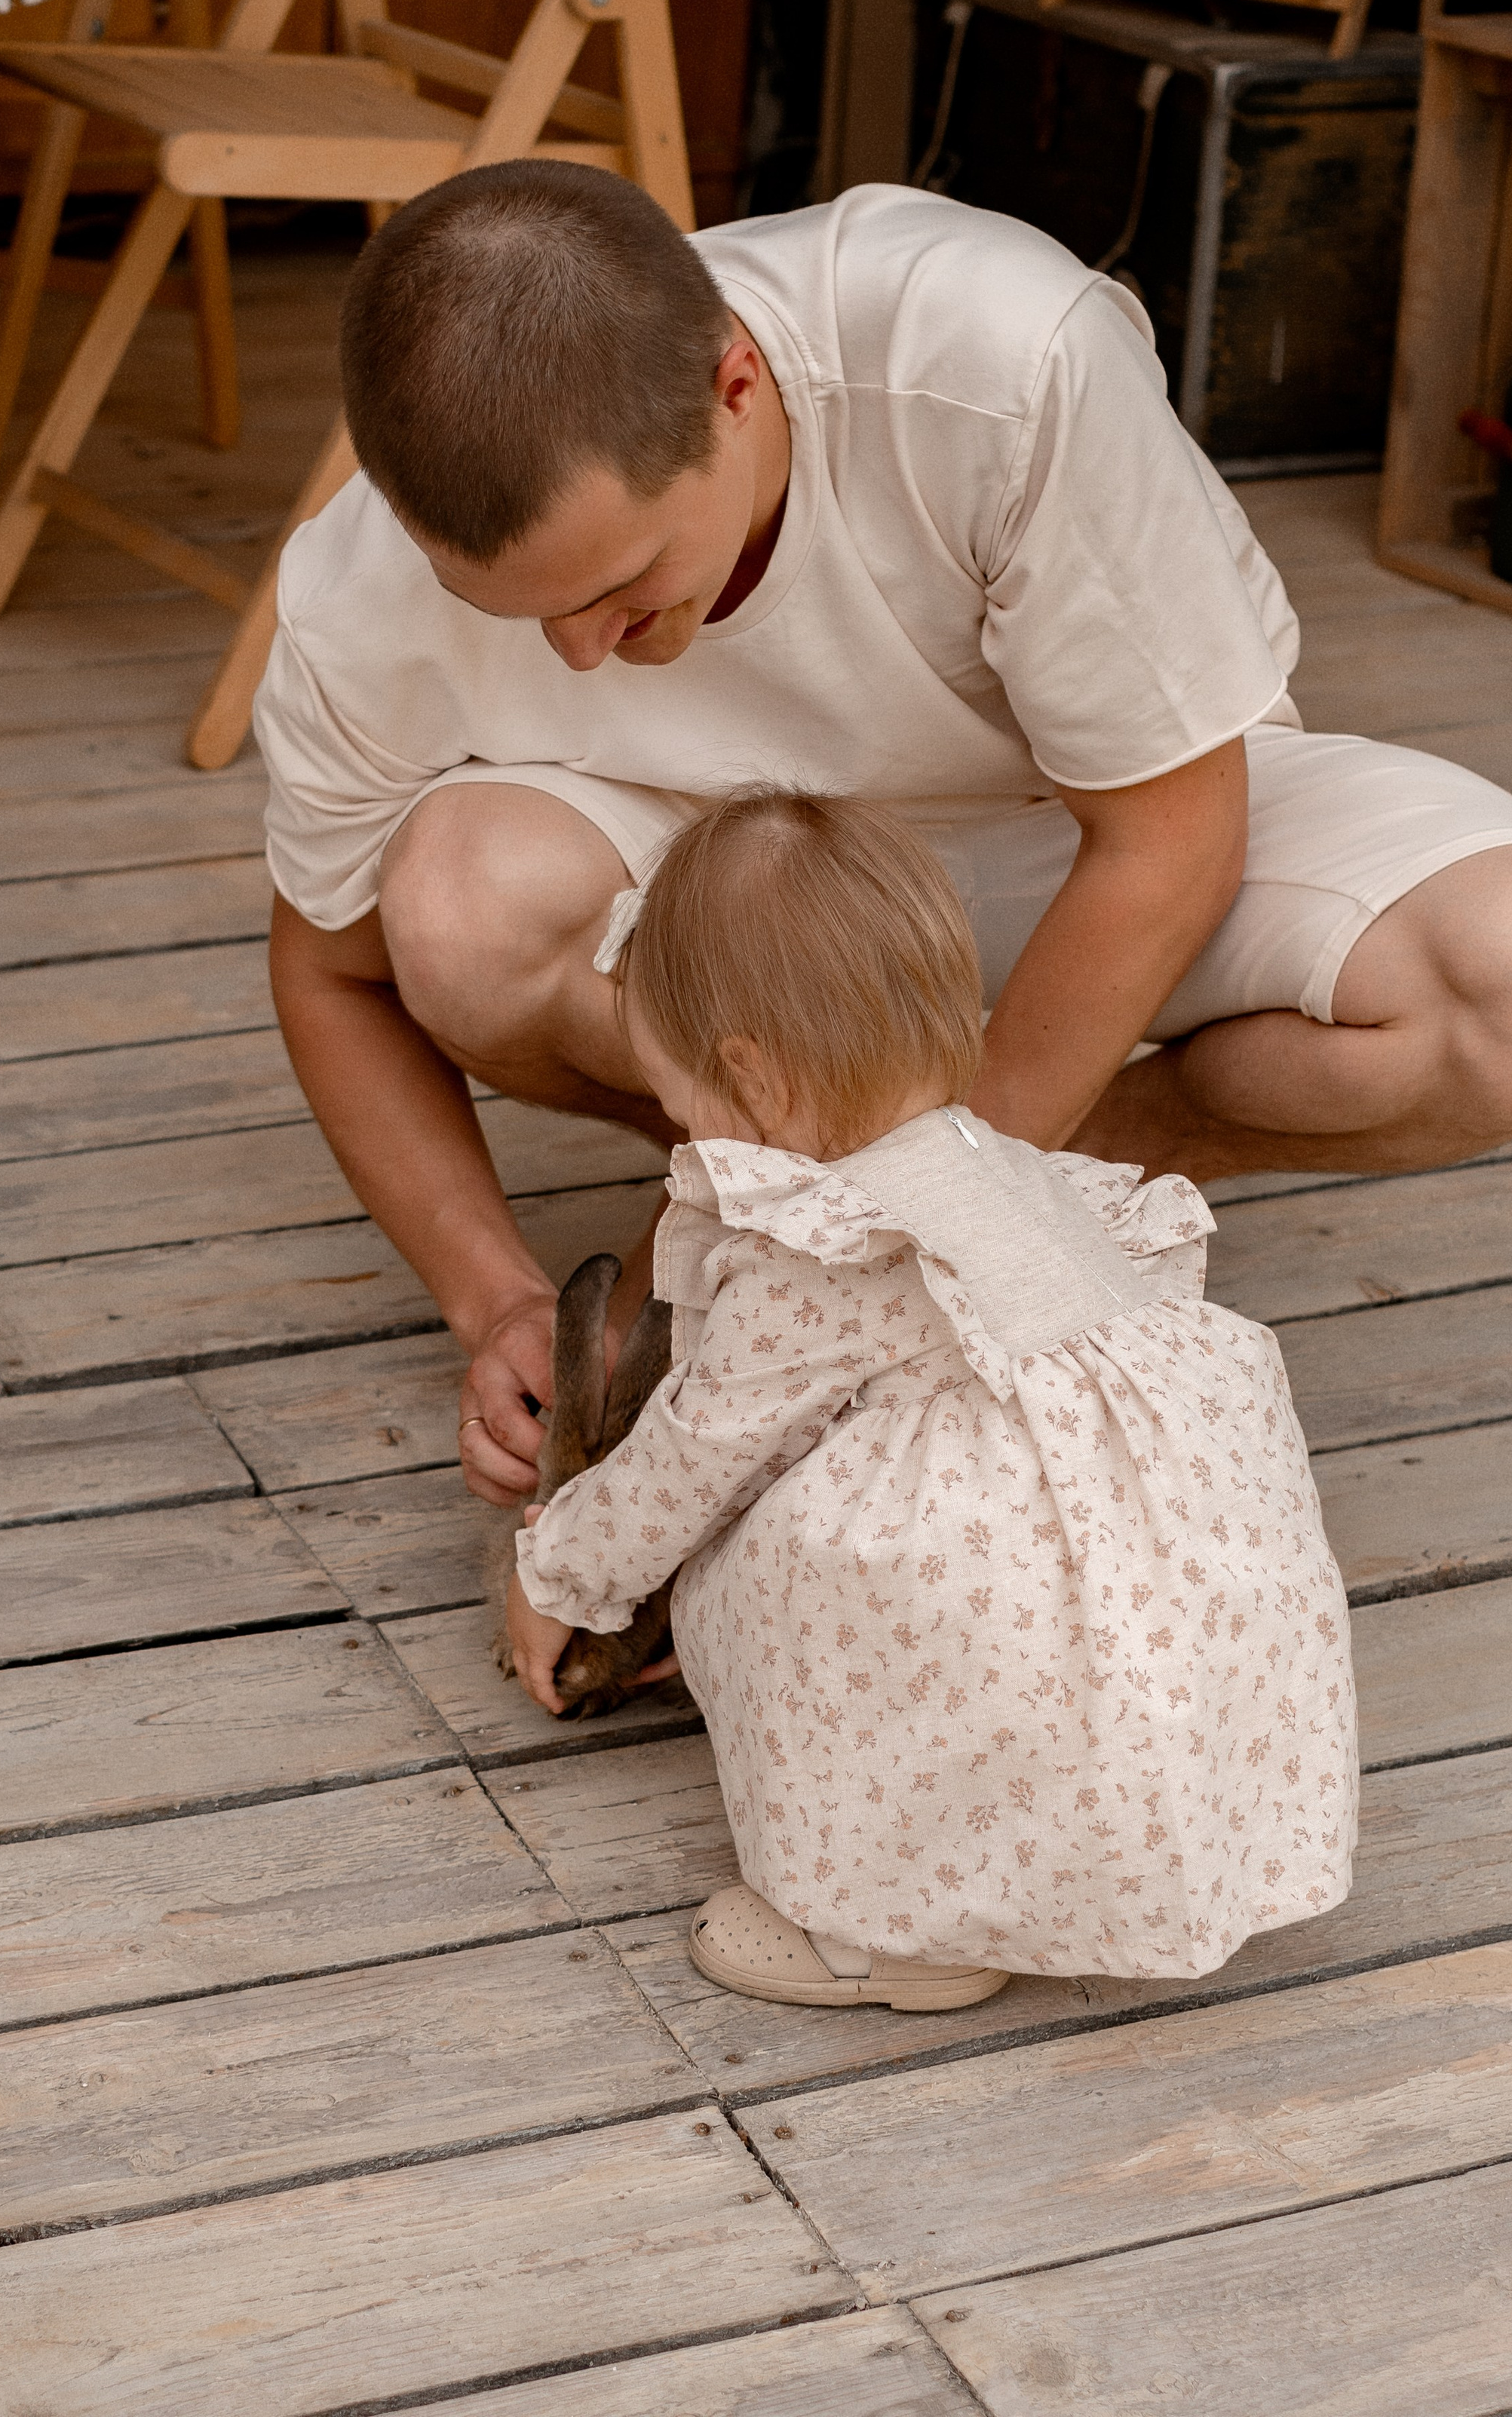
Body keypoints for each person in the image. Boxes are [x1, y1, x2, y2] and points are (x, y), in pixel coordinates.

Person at [257, 161, 1512, 1514]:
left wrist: (921, 1224)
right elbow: (333, 970)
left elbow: (1169, 835)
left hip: (1077, 834)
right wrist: (494, 1299)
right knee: (452, 901)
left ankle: (893, 1199)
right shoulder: (361, 576)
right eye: (514, 610)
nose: (576, 651)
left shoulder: (995, 351)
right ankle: (794, 1196)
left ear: (735, 385)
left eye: (621, 588)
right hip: (731, 897)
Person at [505, 792, 1357, 2011]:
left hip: (1009, 1630)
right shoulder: (1003, 1170)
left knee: (823, 1556)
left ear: (748, 1075)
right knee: (983, 1556)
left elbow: (697, 1451)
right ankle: (1134, 1849)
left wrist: (561, 1573)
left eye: (676, 1094)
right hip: (1181, 1611)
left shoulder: (824, 1249)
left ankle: (898, 1938)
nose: (681, 1127)